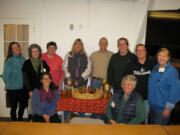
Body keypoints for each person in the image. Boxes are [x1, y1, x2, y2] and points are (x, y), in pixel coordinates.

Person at [125, 44, 156, 124]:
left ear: (145, 52)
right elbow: (126, 80)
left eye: (142, 50)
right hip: (134, 98)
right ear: (135, 52)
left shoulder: (153, 64)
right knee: (133, 119)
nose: (140, 52)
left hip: (147, 98)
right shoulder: (130, 64)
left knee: (144, 118)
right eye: (138, 50)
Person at [148, 48, 180, 125]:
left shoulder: (172, 71)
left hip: (162, 109)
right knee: (152, 129)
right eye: (159, 55)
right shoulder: (155, 68)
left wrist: (168, 108)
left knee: (159, 131)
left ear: (168, 58)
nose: (161, 58)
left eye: (164, 56)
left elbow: (175, 91)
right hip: (152, 106)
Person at [22, 44, 50, 120]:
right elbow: (25, 78)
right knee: (32, 108)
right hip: (31, 89)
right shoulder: (26, 63)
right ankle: (31, 121)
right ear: (30, 53)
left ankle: (39, 121)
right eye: (33, 51)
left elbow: (47, 76)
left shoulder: (43, 63)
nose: (35, 53)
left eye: (36, 51)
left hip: (41, 90)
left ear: (39, 52)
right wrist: (29, 90)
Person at [2, 42, 28, 121]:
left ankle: (19, 120)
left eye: (18, 47)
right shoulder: (10, 61)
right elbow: (5, 76)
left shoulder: (23, 59)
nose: (17, 49)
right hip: (12, 89)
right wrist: (10, 84)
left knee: (23, 106)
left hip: (23, 88)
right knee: (14, 107)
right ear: (11, 50)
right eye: (14, 47)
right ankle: (13, 121)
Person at [90, 37, 113, 122]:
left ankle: (104, 118)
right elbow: (91, 68)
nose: (103, 44)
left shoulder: (111, 55)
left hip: (106, 81)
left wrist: (111, 82)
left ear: (107, 44)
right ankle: (94, 117)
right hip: (95, 80)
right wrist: (91, 81)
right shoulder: (93, 54)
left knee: (105, 101)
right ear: (99, 44)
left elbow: (113, 69)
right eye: (102, 43)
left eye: (105, 43)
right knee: (94, 100)